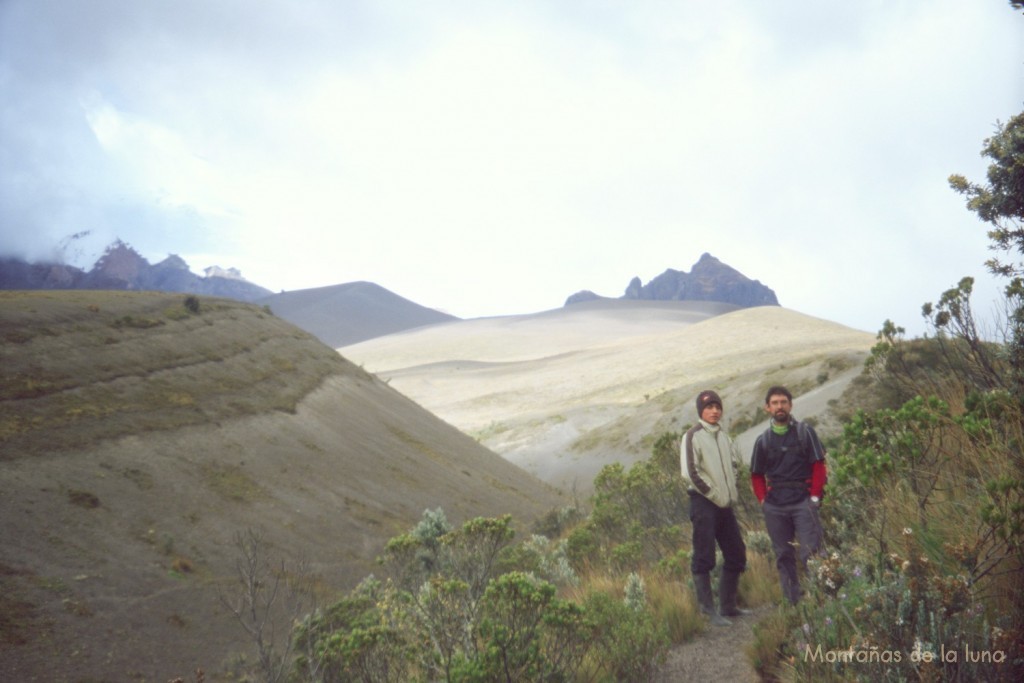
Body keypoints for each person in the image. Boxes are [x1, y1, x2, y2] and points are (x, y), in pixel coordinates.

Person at [749, 385, 827, 605]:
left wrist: (814, 498)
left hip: (803, 502)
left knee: (811, 554)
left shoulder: (805, 432)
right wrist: (764, 501)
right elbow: (756, 475)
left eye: (783, 402)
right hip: (775, 506)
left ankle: (821, 601)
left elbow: (819, 465)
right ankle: (793, 604)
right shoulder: (762, 441)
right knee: (784, 556)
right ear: (767, 408)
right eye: (774, 403)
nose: (779, 406)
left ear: (790, 405)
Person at [681, 389, 750, 626]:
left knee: (736, 553)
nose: (714, 411)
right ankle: (707, 611)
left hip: (724, 505)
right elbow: (691, 472)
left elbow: (732, 466)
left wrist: (730, 493)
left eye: (717, 406)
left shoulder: (723, 436)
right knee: (704, 556)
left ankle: (728, 606)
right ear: (701, 411)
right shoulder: (693, 436)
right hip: (703, 504)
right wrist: (714, 493)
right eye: (709, 407)